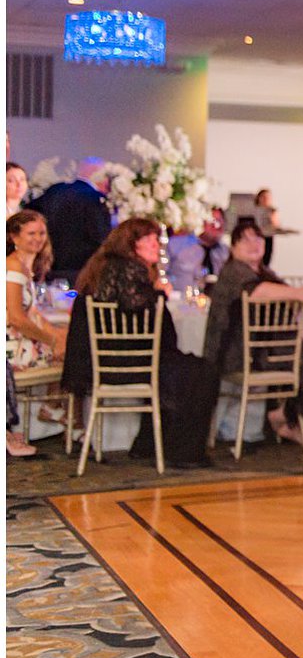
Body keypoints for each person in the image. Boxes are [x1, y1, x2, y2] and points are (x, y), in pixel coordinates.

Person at [62, 218, 220, 469]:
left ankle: (149, 444)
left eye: (156, 239)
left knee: (187, 370)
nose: (156, 245)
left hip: (102, 360)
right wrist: (159, 292)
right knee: (202, 371)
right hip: (129, 359)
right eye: (149, 239)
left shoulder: (103, 266)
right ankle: (182, 451)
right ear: (131, 243)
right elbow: (134, 303)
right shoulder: (128, 268)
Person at [202, 220, 303, 451]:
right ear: (233, 247)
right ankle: (285, 418)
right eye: (245, 239)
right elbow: (256, 292)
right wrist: (297, 293)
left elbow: (281, 293)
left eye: (257, 238)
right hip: (237, 353)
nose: (253, 244)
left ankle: (285, 415)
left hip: (264, 350)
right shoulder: (233, 271)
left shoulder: (266, 273)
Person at [7, 211, 68, 457]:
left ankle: (54, 408)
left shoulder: (24, 266)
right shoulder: (12, 266)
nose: (37, 239)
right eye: (31, 233)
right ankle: (55, 408)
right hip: (10, 344)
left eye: (41, 233)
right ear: (14, 237)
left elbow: (31, 312)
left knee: (68, 340)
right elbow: (15, 317)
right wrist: (52, 339)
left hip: (17, 337)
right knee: (71, 353)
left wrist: (57, 333)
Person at [27, 157, 111, 284]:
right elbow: (100, 237)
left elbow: (29, 214)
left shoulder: (54, 190)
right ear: (103, 179)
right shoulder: (95, 199)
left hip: (49, 268)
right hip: (81, 271)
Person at [165, 208, 228, 292]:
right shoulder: (176, 244)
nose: (216, 225)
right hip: (178, 300)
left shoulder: (225, 252)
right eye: (212, 220)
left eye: (219, 221)